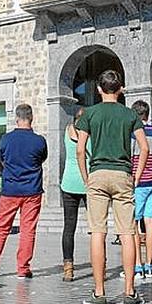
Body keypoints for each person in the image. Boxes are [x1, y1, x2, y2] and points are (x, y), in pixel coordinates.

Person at [75, 70, 147, 304]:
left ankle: (99, 292)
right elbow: (144, 148)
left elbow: (80, 149)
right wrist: (135, 176)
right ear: (120, 89)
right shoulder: (130, 115)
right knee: (127, 233)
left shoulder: (89, 114)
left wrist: (87, 177)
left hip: (97, 173)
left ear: (98, 89)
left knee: (98, 232)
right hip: (122, 174)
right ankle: (129, 292)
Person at [0, 104, 46, 280]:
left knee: (1, 228)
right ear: (32, 118)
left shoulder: (6, 139)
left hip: (10, 189)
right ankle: (23, 269)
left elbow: (2, 159)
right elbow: (42, 158)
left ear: (16, 118)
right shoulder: (39, 141)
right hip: (32, 190)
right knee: (28, 230)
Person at [125, 100, 152, 279]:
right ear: (148, 115)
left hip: (137, 183)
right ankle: (149, 264)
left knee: (134, 224)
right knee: (151, 223)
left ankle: (137, 265)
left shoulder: (132, 134)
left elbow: (129, 159)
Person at [60, 109, 88, 281]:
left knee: (69, 227)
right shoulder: (89, 136)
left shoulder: (66, 130)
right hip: (87, 181)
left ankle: (68, 269)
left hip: (68, 181)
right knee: (96, 227)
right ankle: (102, 263)